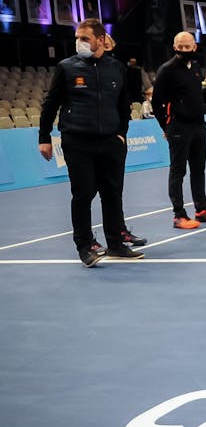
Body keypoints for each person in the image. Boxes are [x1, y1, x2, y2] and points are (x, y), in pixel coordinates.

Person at [38, 18, 143, 266]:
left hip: (111, 142)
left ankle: (116, 244)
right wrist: (44, 138)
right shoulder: (66, 67)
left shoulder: (117, 67)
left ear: (100, 40)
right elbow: (50, 104)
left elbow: (123, 105)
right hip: (77, 141)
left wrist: (121, 133)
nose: (79, 42)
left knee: (112, 193)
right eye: (77, 38)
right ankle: (85, 246)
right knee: (82, 194)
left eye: (84, 38)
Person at [151, 31, 206, 229]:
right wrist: (165, 126)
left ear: (194, 47)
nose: (184, 50)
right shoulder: (166, 70)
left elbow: (192, 95)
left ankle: (202, 209)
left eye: (188, 46)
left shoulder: (195, 67)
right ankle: (179, 214)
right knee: (178, 171)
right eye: (180, 47)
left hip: (198, 126)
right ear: (175, 47)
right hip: (178, 127)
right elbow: (157, 101)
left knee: (198, 170)